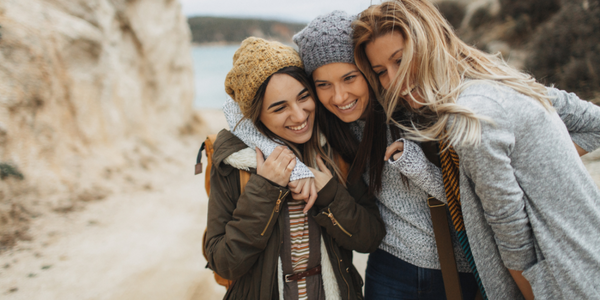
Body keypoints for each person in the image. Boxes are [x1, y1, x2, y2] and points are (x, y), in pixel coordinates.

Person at [352, 0, 600, 299]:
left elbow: (514, 242)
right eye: (381, 71)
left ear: (431, 43)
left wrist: (531, 172)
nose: (394, 80)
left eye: (401, 59)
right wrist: (530, 168)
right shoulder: (497, 81)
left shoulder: (471, 117)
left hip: (563, 282)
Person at [224, 11, 481, 300]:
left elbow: (474, 200)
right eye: (323, 85)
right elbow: (239, 107)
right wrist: (294, 167)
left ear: (368, 71)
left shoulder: (412, 108)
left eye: (350, 78)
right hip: (387, 266)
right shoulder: (327, 123)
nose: (339, 97)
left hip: (452, 267)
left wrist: (417, 168)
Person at [204, 37, 386, 300]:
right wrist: (265, 189)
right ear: (256, 115)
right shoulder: (233, 160)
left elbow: (370, 237)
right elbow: (224, 263)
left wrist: (331, 196)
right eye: (279, 108)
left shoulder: (334, 145)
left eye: (304, 97)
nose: (300, 116)